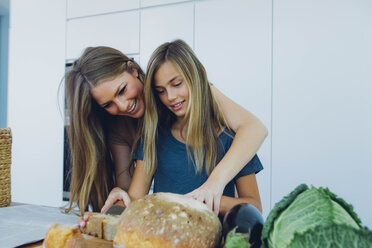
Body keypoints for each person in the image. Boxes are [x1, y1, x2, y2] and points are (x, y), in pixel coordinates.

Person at [65, 44, 267, 220]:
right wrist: (115, 203)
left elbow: (254, 128)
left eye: (122, 90)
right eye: (108, 104)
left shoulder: (222, 129)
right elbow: (131, 200)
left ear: (133, 69)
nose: (123, 105)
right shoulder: (133, 132)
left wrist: (212, 186)